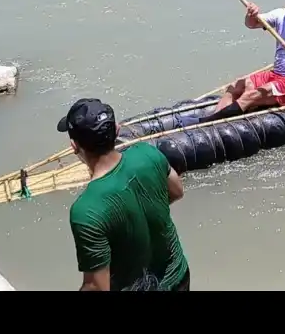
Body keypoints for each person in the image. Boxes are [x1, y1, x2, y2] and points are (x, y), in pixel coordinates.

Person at [57, 97, 190, 292]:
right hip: (179, 277)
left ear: (74, 146)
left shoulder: (87, 210)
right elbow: (177, 191)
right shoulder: (148, 154)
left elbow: (96, 287)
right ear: (117, 130)